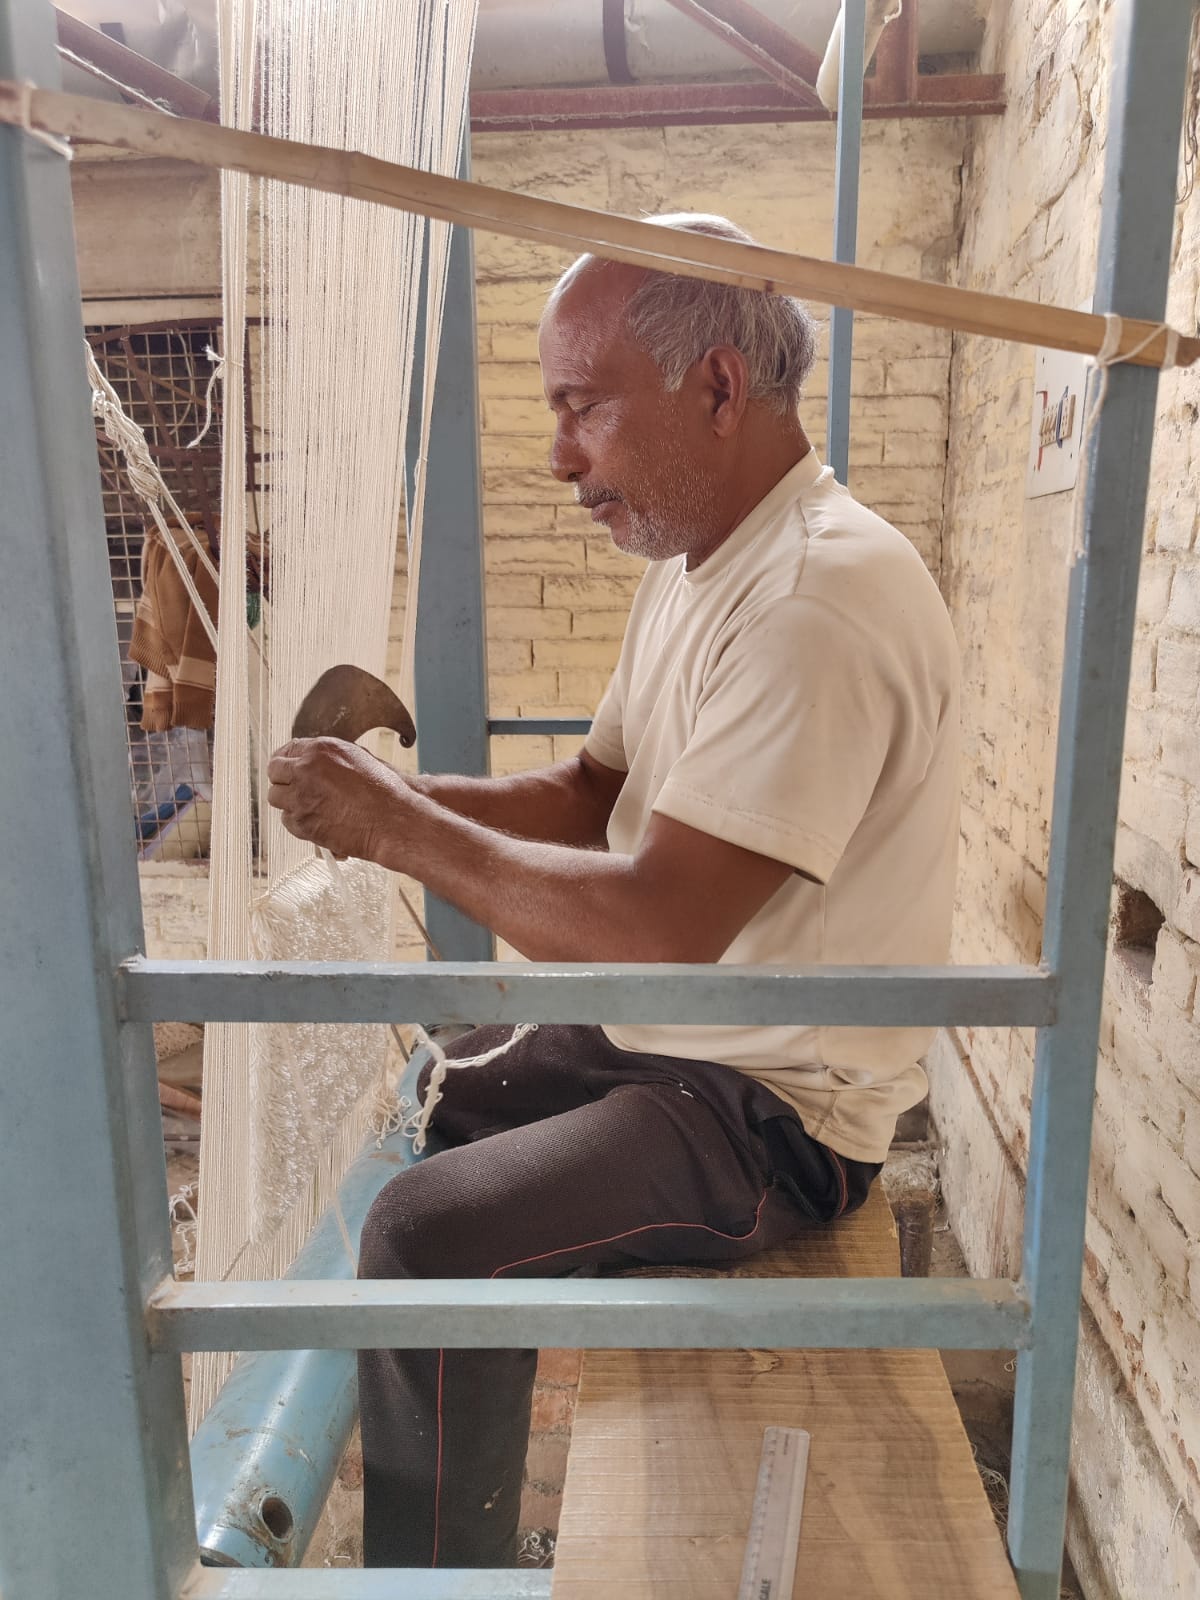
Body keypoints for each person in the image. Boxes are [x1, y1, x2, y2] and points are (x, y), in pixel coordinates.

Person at [266, 213, 961, 1570]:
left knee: (424, 1233)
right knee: (450, 1086)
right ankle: (466, 1461)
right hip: (687, 1041)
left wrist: (397, 828)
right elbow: (592, 797)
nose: (558, 456)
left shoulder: (819, 598)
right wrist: (384, 807)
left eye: (582, 408)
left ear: (715, 386)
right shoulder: (706, 564)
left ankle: (434, 1576)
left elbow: (662, 923)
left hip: (777, 1112)